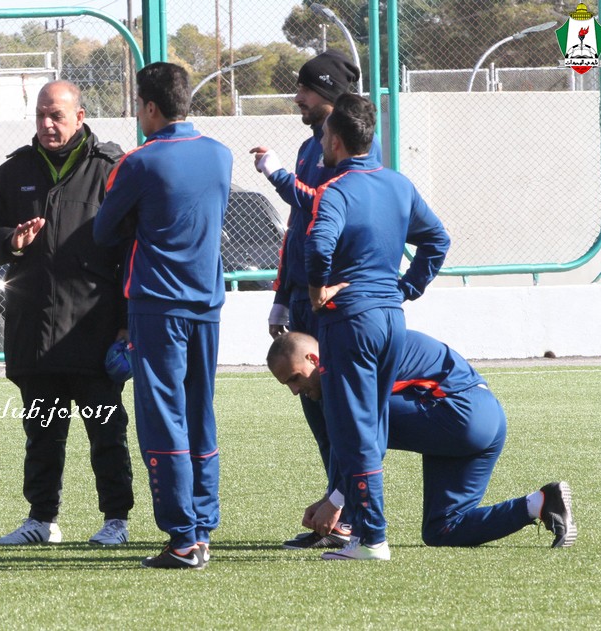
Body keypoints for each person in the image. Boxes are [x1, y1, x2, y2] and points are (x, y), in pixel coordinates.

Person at [0, 80, 134, 547]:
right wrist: (10, 241)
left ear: (79, 117)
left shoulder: (111, 169)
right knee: (41, 434)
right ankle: (42, 520)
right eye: (41, 115)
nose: (47, 124)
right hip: (34, 330)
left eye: (56, 115)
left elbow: (132, 251)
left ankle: (116, 520)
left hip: (94, 330)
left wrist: (126, 323)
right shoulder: (14, 171)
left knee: (107, 432)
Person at [92, 62, 232, 570]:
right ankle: (203, 527)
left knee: (162, 418)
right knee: (199, 412)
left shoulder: (140, 162)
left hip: (157, 305)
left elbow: (103, 231)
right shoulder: (220, 154)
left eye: (139, 107)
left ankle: (182, 538)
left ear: (150, 107)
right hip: (207, 304)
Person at [302, 93, 451, 560]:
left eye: (325, 135)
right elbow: (437, 239)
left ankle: (372, 538)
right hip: (391, 319)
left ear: (337, 141)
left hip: (351, 321)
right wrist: (406, 288)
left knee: (353, 432)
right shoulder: (398, 184)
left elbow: (318, 246)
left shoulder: (336, 190)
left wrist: (316, 291)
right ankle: (366, 533)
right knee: (373, 423)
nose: (321, 142)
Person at [267, 330, 577, 549]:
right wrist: (331, 498)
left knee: (350, 419)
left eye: (295, 377)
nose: (294, 390)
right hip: (480, 420)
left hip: (461, 413)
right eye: (286, 384)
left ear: (313, 357)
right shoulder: (346, 351)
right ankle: (540, 503)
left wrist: (336, 502)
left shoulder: (348, 360)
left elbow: (365, 440)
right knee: (442, 530)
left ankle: (349, 525)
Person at [248, 50, 381, 549]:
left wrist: (279, 176)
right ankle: (338, 514)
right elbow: (298, 228)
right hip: (306, 298)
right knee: (319, 415)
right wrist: (282, 296)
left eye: (305, 89)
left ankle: (355, 517)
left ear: (327, 93)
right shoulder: (311, 146)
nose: (297, 98)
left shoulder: (358, 152)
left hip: (334, 299)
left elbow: (324, 205)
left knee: (345, 418)